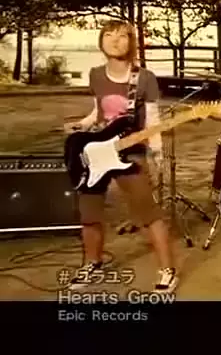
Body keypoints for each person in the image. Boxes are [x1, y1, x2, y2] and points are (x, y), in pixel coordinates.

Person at [63, 20, 178, 294]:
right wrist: (82, 124)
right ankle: (92, 263)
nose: (115, 40)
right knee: (89, 213)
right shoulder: (95, 74)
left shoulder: (144, 78)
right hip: (96, 152)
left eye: (122, 36)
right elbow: (98, 112)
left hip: (130, 151)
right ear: (101, 41)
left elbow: (152, 120)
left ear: (131, 43)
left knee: (148, 213)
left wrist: (156, 154)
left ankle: (167, 270)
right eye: (109, 35)